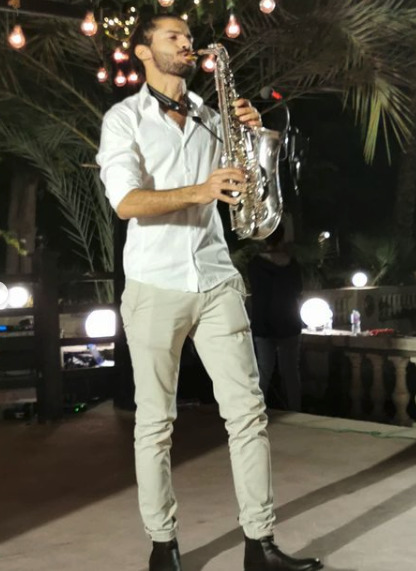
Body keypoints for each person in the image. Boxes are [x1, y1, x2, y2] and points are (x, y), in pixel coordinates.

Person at [96, 10, 322, 571]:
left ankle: (260, 545)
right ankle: (163, 547)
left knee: (248, 413)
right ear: (143, 51)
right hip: (154, 284)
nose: (186, 43)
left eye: (188, 36)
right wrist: (200, 189)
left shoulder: (211, 116)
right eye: (172, 36)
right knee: (155, 424)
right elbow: (126, 202)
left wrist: (250, 135)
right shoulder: (123, 119)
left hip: (217, 278)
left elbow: (248, 187)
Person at [248, 223, 304, 411]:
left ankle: (256, 411)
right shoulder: (292, 264)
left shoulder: (255, 264)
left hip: (264, 323)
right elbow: (298, 290)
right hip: (288, 321)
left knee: (264, 371)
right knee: (291, 372)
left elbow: (255, 291)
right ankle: (295, 410)